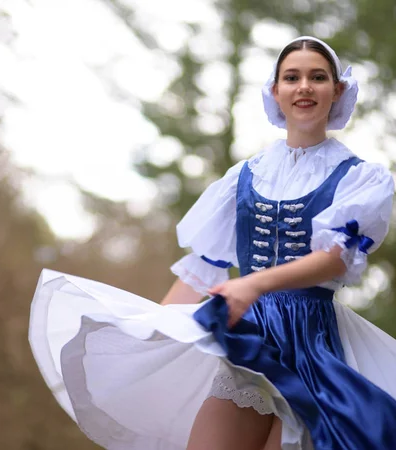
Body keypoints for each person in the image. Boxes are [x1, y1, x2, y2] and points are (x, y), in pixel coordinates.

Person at [28, 36, 396, 450]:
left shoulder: (361, 177)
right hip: (249, 339)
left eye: (318, 77)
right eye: (291, 77)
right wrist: (155, 330)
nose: (304, 87)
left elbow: (333, 260)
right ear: (275, 92)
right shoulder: (243, 177)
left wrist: (253, 284)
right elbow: (202, 270)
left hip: (313, 343)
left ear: (338, 90)